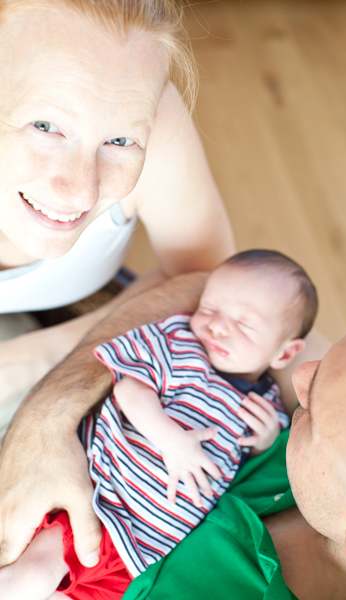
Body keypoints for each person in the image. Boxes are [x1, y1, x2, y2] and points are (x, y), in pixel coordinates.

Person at [0, 249, 318, 599]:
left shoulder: (267, 404)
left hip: (143, 551)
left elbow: (250, 466)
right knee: (32, 575)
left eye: (243, 323)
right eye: (209, 308)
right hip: (100, 499)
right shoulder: (182, 346)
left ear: (285, 354)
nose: (215, 325)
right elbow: (130, 388)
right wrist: (170, 440)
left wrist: (266, 440)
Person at [0, 0, 234, 420]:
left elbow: (209, 281)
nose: (80, 193)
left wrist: (39, 356)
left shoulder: (152, 118)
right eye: (46, 126)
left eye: (120, 142)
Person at [117, 309, 346, 600]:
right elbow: (228, 279)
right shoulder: (344, 456)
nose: (299, 374)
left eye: (315, 414)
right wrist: (69, 406)